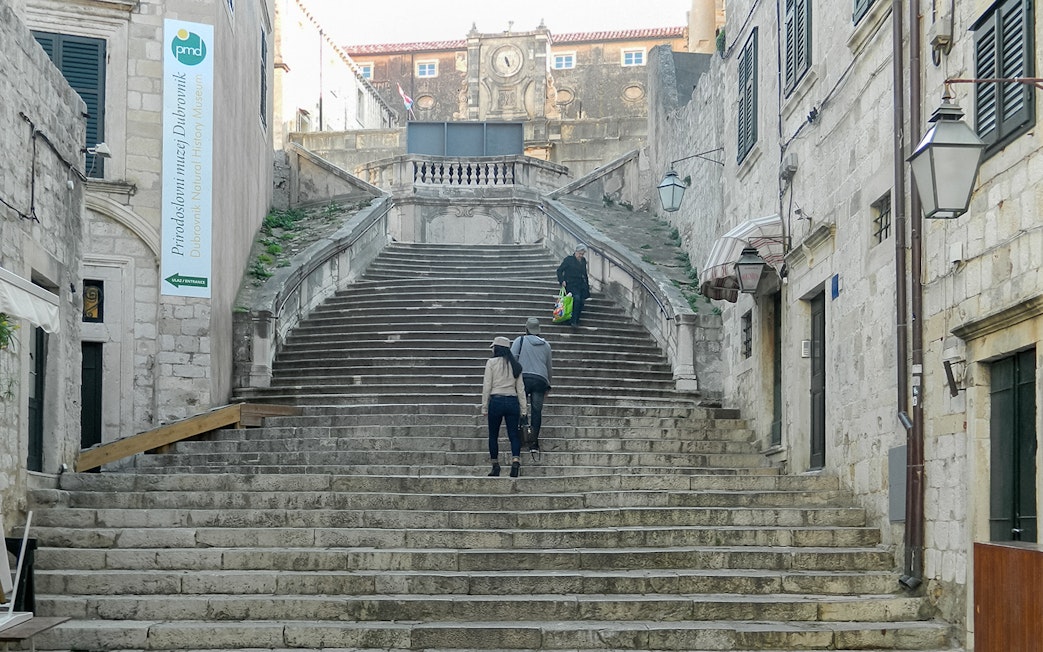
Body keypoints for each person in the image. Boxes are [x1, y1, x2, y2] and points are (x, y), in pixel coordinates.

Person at [481, 336, 528, 478]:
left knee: (493, 435)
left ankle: (495, 465)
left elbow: (487, 386)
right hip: (512, 401)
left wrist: (484, 407)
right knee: (514, 435)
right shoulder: (516, 365)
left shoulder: (491, 363)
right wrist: (524, 409)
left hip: (496, 401)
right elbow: (521, 389)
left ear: (497, 348)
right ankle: (515, 461)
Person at [511, 317, 553, 461]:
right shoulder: (546, 345)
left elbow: (512, 359)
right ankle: (534, 442)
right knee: (537, 411)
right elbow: (549, 367)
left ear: (526, 328)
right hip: (540, 380)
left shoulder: (519, 341)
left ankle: (522, 435)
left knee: (522, 407)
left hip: (524, 378)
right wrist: (548, 384)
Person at [556, 243, 591, 327]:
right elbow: (559, 270)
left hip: (580, 285)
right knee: (577, 299)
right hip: (570, 284)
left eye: (582, 254)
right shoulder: (569, 260)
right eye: (580, 253)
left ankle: (576, 319)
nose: (581, 256)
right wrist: (562, 281)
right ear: (576, 252)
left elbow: (584, 274)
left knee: (581, 301)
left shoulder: (583, 261)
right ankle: (573, 321)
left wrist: (587, 285)